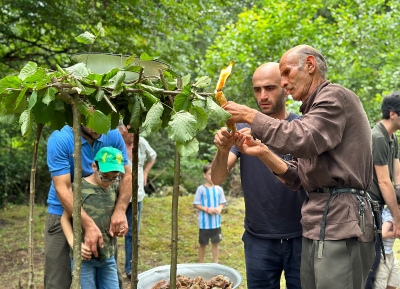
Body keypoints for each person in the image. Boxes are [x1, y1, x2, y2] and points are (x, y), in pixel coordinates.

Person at [222, 44, 375, 289]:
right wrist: (262, 152)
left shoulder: (334, 96)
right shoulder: (312, 114)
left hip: (342, 222)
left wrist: (251, 116)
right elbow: (298, 178)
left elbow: (303, 139)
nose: (283, 82)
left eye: (286, 72)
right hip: (317, 224)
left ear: (310, 65)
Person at [211, 62, 307, 289]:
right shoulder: (241, 128)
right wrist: (223, 150)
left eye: (270, 88)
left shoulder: (301, 127)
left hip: (302, 236)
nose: (263, 95)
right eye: (257, 89)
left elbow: (303, 176)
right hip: (259, 238)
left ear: (285, 88)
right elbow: (217, 178)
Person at [45, 124, 132, 289]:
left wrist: (120, 211)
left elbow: (127, 175)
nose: (96, 127)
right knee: (57, 281)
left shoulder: (112, 134)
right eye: (91, 122)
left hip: (102, 213)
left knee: (111, 276)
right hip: (63, 211)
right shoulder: (61, 139)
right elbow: (63, 188)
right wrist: (87, 225)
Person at [61, 147, 126, 288]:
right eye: (105, 176)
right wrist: (74, 244)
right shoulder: (79, 188)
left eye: (115, 177)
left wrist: (118, 228)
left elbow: (112, 215)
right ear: (94, 166)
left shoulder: (114, 187)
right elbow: (65, 219)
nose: (109, 181)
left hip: (108, 257)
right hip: (84, 259)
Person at [365, 92, 400, 289]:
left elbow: (397, 176)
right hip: (371, 207)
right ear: (393, 114)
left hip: (382, 206)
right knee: (373, 264)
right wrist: (396, 218)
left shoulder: (392, 137)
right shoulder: (377, 137)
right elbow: (384, 182)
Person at [118, 121, 157, 279]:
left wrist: (146, 172)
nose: (134, 133)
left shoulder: (141, 142)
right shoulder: (116, 140)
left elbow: (152, 156)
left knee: (132, 232)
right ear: (122, 130)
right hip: (118, 193)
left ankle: (130, 268)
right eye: (131, 130)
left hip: (137, 193)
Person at [193, 164, 226, 263]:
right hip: (204, 224)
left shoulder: (219, 189)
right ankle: (201, 263)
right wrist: (207, 209)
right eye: (210, 174)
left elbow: (222, 203)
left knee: (215, 243)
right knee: (203, 244)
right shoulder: (201, 189)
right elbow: (196, 204)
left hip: (216, 223)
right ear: (205, 175)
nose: (212, 177)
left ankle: (215, 263)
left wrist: (219, 208)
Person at [373, 189, 400, 289]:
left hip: (390, 253)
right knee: (381, 282)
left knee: (394, 281)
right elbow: (383, 233)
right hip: (382, 255)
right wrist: (395, 233)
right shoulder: (389, 215)